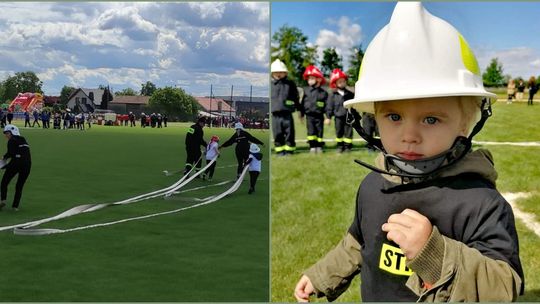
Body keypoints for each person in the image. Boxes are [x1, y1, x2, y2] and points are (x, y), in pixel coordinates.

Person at [294, 3, 523, 302]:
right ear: (373, 117)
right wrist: (322, 275)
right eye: (393, 117)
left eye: (431, 119)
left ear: (465, 122)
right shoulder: (374, 186)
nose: (409, 136)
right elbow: (359, 240)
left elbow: (505, 287)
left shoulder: (480, 202)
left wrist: (435, 255)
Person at [271, 59, 300, 155]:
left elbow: (296, 96)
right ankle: (280, 150)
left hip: (287, 113)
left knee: (289, 132)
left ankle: (290, 150)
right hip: (275, 114)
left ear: (285, 73)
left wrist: (298, 108)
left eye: (281, 72)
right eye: (276, 72)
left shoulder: (290, 84)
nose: (279, 74)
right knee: (277, 133)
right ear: (272, 73)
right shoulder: (271, 85)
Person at [0, 125, 31, 211]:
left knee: (4, 182)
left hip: (16, 162)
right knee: (19, 186)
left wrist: (3, 159)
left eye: (7, 133)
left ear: (12, 132)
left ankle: (3, 200)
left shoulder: (12, 140)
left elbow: (11, 153)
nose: (6, 135)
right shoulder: (23, 139)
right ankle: (15, 206)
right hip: (27, 164)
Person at [300, 65, 329, 153]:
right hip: (309, 116)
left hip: (319, 116)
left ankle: (319, 147)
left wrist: (328, 117)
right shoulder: (305, 91)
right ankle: (312, 146)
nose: (309, 81)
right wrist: (301, 115)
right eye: (308, 79)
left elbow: (327, 106)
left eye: (312, 78)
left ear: (319, 79)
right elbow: (302, 104)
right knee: (311, 132)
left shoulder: (323, 93)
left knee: (319, 132)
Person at [326, 68, 355, 153]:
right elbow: (329, 106)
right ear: (335, 83)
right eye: (339, 82)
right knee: (339, 132)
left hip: (348, 117)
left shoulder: (350, 94)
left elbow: (353, 106)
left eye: (343, 81)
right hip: (338, 117)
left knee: (348, 132)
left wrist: (355, 116)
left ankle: (348, 147)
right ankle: (340, 146)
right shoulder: (332, 95)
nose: (342, 83)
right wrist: (328, 117)